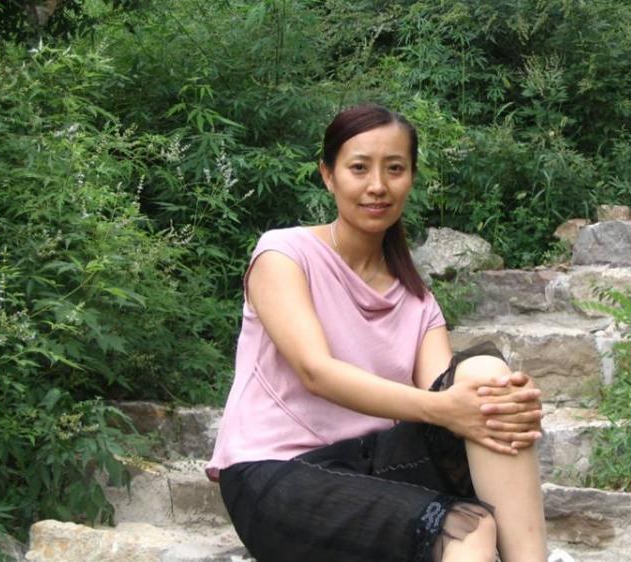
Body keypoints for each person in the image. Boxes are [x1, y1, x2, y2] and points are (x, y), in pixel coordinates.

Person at [206, 104, 547, 562]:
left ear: (411, 178)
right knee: (469, 529)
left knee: (488, 381)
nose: (378, 186)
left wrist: (504, 403)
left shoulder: (417, 299)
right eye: (359, 168)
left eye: (395, 169)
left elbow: (448, 395)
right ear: (328, 175)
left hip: (374, 465)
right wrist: (448, 408)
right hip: (276, 475)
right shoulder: (284, 255)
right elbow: (316, 371)